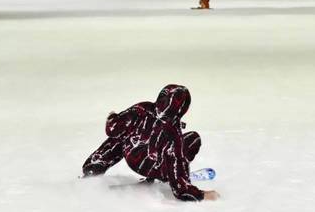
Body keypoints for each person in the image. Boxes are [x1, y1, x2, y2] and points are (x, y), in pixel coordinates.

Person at [82, 85, 219, 202]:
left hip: (130, 153)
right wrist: (200, 194)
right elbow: (179, 185)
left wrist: (112, 117)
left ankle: (93, 168)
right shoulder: (174, 134)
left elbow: (113, 129)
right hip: (152, 167)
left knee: (122, 134)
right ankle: (165, 176)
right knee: (193, 138)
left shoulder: (142, 108)